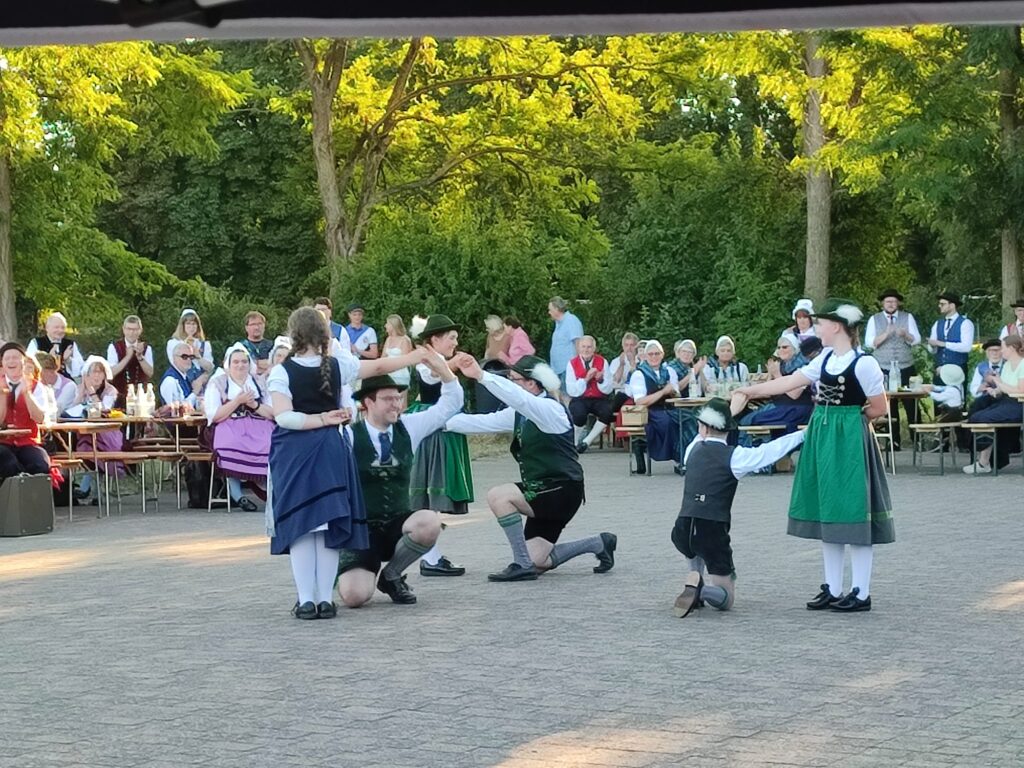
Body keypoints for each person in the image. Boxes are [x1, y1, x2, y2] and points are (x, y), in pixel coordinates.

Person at [265, 306, 427, 620]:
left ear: (294, 334)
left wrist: (321, 418)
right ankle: (325, 600)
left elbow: (283, 417)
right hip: (329, 449)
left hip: (295, 453)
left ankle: (307, 600)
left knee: (303, 527)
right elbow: (379, 365)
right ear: (324, 335)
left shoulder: (282, 371)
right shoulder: (338, 365)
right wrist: (414, 357)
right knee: (328, 526)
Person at [736, 298, 893, 613]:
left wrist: (849, 424)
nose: (816, 327)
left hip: (848, 440)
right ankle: (833, 588)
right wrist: (748, 391)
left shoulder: (864, 363)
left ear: (836, 326)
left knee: (853, 509)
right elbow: (791, 382)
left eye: (820, 323)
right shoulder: (825, 359)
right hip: (823, 435)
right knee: (828, 509)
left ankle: (861, 592)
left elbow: (879, 407)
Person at [445, 354, 616, 581]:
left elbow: (519, 399)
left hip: (562, 490)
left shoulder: (549, 409)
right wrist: (437, 422)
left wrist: (481, 375)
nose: (511, 383)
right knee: (539, 560)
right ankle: (598, 543)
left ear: (532, 383)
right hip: (545, 490)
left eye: (514, 379)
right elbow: (483, 422)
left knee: (499, 496)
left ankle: (521, 564)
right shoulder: (522, 413)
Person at [336, 353, 465, 608]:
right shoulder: (348, 435)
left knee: (429, 522)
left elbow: (450, 405)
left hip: (398, 522)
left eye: (398, 398)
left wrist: (444, 370)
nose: (396, 404)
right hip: (362, 530)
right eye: (388, 399)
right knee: (354, 597)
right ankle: (358, 571)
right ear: (368, 402)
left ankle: (392, 575)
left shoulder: (410, 426)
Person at [671, 397, 807, 618]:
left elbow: (703, 433)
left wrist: (727, 411)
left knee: (693, 545)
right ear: (729, 430)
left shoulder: (692, 449)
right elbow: (769, 451)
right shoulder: (735, 456)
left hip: (682, 527)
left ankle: (694, 577)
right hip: (712, 530)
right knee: (726, 599)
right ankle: (700, 591)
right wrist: (801, 435)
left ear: (703, 428)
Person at [407, 314, 474, 577]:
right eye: (451, 338)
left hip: (444, 429)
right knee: (429, 494)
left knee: (431, 499)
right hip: (432, 429)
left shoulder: (435, 360)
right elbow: (434, 375)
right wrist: (454, 364)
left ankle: (430, 556)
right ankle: (429, 557)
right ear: (435, 339)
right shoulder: (426, 361)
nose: (456, 343)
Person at [205, 344, 275, 512]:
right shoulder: (218, 383)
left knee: (270, 443)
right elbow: (215, 416)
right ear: (228, 364)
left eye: (244, 361)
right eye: (235, 362)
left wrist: (254, 404)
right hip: (228, 423)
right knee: (230, 444)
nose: (240, 365)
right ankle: (238, 495)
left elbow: (272, 414)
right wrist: (237, 401)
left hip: (258, 423)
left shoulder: (260, 382)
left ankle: (270, 491)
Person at [865, 289, 921, 450]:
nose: (891, 304)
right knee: (889, 404)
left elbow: (916, 340)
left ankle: (916, 439)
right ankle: (893, 441)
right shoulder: (874, 319)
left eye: (894, 301)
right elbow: (870, 343)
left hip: (905, 365)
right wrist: (886, 333)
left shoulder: (907, 317)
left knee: (911, 403)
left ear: (898, 303)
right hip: (883, 366)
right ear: (883, 303)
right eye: (888, 301)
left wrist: (906, 335)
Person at [737, 335, 813, 449]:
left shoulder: (803, 367)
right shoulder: (783, 365)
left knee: (750, 420)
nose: (781, 350)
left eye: (785, 347)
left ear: (795, 349)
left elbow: (794, 395)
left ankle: (751, 451)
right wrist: (770, 374)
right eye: (779, 347)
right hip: (782, 406)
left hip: (796, 409)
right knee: (744, 418)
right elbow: (769, 391)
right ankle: (748, 450)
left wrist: (777, 374)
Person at [963, 334, 1024, 474]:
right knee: (976, 415)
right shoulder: (1007, 365)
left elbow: (1020, 390)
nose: (1001, 351)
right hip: (1005, 401)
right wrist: (994, 390)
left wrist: (997, 383)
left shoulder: (1023, 365)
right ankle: (982, 460)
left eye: (1003, 348)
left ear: (1012, 348)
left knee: (984, 418)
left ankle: (984, 463)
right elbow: (1003, 387)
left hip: (1018, 404)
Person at [70, 356, 125, 502]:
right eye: (93, 372)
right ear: (86, 374)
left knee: (92, 447)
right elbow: (72, 410)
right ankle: (90, 489)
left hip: (108, 433)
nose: (96, 375)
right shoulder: (80, 389)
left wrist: (92, 393)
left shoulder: (110, 391)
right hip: (85, 432)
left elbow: (104, 411)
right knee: (85, 445)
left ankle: (88, 489)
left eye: (100, 372)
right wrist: (82, 392)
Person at [0, 344, 52, 480]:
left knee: (40, 463)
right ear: (2, 364)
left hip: (27, 442)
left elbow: (39, 418)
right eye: (7, 358)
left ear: (24, 361)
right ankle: (19, 482)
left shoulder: (36, 385)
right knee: (7, 461)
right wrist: (3, 396)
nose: (11, 361)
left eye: (15, 358)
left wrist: (27, 393)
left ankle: (28, 486)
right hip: (3, 442)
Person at [628, 340, 680, 474]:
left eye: (657, 353)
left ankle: (686, 459)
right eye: (650, 354)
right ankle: (678, 457)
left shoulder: (669, 371)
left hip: (670, 408)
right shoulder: (639, 374)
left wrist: (673, 392)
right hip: (651, 411)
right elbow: (640, 401)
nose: (654, 357)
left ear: (662, 355)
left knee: (688, 419)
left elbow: (676, 395)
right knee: (668, 422)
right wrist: (663, 392)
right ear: (645, 356)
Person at [565, 335, 614, 453]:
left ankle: (586, 442)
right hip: (580, 398)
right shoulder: (572, 363)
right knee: (579, 414)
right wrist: (586, 379)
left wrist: (600, 380)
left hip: (598, 398)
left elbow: (608, 389)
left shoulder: (602, 361)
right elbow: (571, 390)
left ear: (594, 349)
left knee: (607, 411)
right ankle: (575, 442)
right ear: (578, 348)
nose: (586, 350)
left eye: (589, 347)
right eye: (583, 347)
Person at [106, 315, 154, 408]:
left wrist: (140, 357)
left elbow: (150, 373)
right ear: (124, 330)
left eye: (135, 329)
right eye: (129, 329)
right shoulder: (114, 347)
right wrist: (128, 356)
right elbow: (111, 373)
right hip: (119, 395)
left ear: (140, 330)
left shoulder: (146, 348)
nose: (131, 332)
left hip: (141, 396)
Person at [928, 291, 974, 385]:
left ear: (952, 305)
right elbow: (933, 349)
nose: (939, 306)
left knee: (956, 394)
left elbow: (966, 347)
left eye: (943, 304)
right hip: (939, 369)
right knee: (938, 393)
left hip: (957, 370)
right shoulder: (938, 323)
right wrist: (932, 346)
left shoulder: (965, 323)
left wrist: (943, 344)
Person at [26, 312, 84, 380]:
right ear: (47, 328)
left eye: (63, 327)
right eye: (56, 327)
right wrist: (48, 358)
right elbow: (29, 365)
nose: (60, 330)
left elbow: (80, 369)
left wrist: (68, 360)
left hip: (65, 382)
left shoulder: (70, 345)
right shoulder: (36, 342)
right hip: (42, 381)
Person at [547, 296, 584, 392]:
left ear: (556, 309)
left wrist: (578, 365)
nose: (549, 312)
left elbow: (578, 343)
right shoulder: (558, 324)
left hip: (568, 368)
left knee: (568, 395)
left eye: (550, 309)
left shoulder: (571, 321)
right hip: (558, 368)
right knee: (561, 395)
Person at [160, 342, 204, 409]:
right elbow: (176, 408)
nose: (188, 360)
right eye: (184, 357)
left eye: (191, 357)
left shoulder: (184, 377)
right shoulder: (170, 380)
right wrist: (195, 392)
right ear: (174, 358)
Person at [607, 332, 640, 412]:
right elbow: (615, 382)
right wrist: (621, 365)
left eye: (632, 345)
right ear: (623, 346)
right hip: (621, 394)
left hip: (637, 394)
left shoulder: (641, 360)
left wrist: (632, 363)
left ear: (636, 346)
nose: (629, 348)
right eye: (626, 345)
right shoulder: (616, 361)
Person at [35, 352, 75, 417]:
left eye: (38, 372)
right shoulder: (36, 386)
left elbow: (54, 413)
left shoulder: (69, 386)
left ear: (51, 371)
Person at [381, 314, 413, 388]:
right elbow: (383, 357)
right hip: (388, 373)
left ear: (393, 325)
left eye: (387, 324)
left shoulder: (404, 340)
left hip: (400, 375)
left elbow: (405, 361)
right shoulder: (388, 339)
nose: (385, 326)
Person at [239, 311, 274, 377]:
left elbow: (276, 364)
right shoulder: (241, 347)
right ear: (246, 328)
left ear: (264, 326)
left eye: (259, 324)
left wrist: (255, 363)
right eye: (253, 324)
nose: (256, 327)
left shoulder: (272, 346)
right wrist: (258, 363)